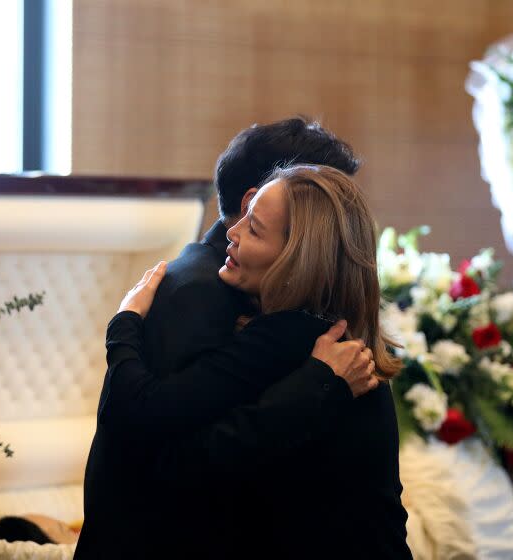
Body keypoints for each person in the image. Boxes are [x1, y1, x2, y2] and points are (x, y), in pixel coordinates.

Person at [76, 119, 410, 559]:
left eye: (254, 230)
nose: (235, 234)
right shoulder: (215, 296)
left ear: (298, 254)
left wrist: (123, 323)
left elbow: (188, 460)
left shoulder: (295, 331)